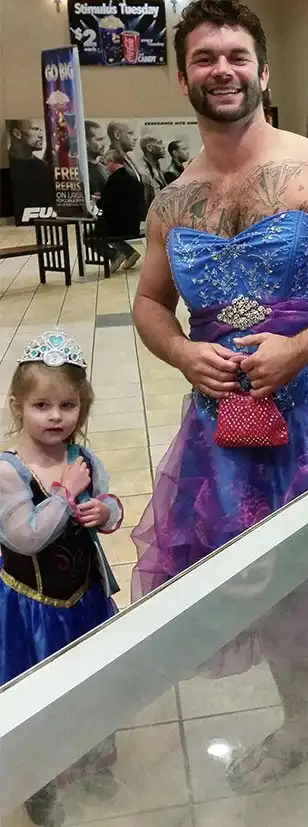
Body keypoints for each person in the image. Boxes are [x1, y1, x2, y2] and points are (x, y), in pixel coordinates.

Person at [130, 0, 308, 790]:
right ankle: (301, 719)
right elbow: (148, 303)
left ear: (263, 72)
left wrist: (301, 348)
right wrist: (183, 351)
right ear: (183, 77)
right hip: (224, 429)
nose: (221, 69)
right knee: (265, 581)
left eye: (236, 56)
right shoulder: (172, 200)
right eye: (204, 57)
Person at [0, 330, 123, 824]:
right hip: (32, 608)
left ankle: (91, 760)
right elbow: (24, 538)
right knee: (41, 691)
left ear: (82, 407)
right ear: (18, 407)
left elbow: (110, 505)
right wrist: (65, 494)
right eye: (41, 406)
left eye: (68, 405)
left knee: (89, 681)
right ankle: (40, 780)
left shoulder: (84, 460)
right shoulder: (9, 472)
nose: (56, 417)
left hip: (85, 599)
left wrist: (105, 511)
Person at [97, 161, 144, 269]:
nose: (106, 166)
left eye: (107, 163)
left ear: (113, 162)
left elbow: (105, 204)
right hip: (133, 223)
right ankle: (129, 253)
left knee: (90, 235)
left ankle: (114, 255)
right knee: (106, 231)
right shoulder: (132, 177)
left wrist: (98, 201)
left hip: (120, 225)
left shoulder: (113, 180)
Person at [7, 120, 55, 225]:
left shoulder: (45, 169)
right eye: (35, 129)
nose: (41, 135)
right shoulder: (5, 166)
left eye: (40, 130)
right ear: (17, 134)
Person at [139, 132, 168, 208]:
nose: (164, 146)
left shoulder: (158, 169)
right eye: (159, 143)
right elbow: (144, 204)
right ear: (149, 147)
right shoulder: (143, 172)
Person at [85, 121, 109, 198]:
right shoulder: (80, 172)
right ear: (85, 142)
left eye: (103, 139)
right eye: (99, 139)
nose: (104, 144)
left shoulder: (104, 169)